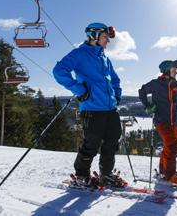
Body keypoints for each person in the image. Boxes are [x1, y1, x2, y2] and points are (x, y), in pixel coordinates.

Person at [53, 22, 124, 187]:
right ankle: (81, 175)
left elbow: (115, 79)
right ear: (94, 36)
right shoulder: (80, 54)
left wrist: (117, 95)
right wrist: (79, 89)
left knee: (112, 142)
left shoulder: (104, 58)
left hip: (110, 108)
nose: (108, 41)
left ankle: (106, 174)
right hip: (92, 108)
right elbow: (59, 71)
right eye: (105, 37)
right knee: (91, 144)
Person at [138, 60, 177, 185]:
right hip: (162, 121)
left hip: (174, 121)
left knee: (168, 147)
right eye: (174, 69)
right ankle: (170, 176)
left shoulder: (175, 84)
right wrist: (148, 105)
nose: (176, 72)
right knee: (173, 148)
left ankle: (164, 171)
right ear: (167, 70)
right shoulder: (156, 84)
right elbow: (141, 91)